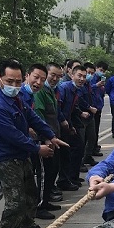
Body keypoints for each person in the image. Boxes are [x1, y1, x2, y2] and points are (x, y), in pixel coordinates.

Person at [0, 59, 68, 228]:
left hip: (21, 155)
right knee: (15, 201)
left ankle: (27, 227)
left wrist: (50, 135)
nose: (14, 85)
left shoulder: (17, 97)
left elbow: (32, 117)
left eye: (18, 82)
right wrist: (38, 149)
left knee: (30, 193)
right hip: (5, 158)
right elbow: (14, 136)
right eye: (9, 81)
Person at [33, 62, 66, 216]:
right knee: (44, 173)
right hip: (44, 140)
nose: (55, 79)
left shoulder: (51, 91)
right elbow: (39, 115)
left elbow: (55, 113)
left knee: (53, 170)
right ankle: (40, 206)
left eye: (58, 76)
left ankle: (45, 200)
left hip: (53, 137)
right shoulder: (40, 92)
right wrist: (46, 138)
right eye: (52, 75)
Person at [90, 61, 108, 155]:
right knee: (92, 131)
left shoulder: (101, 79)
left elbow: (101, 93)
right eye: (101, 70)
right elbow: (89, 89)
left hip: (98, 107)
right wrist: (96, 85)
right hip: (92, 107)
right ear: (96, 68)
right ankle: (91, 149)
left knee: (96, 129)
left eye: (103, 71)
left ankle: (95, 146)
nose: (102, 72)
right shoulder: (92, 78)